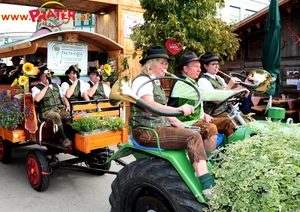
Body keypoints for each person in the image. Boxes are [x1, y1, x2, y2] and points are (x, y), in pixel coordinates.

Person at [129, 45, 215, 198]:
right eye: (162, 63)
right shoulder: (142, 81)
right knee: (192, 137)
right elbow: (150, 106)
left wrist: (182, 125)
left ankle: (205, 171)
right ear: (151, 64)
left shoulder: (154, 82)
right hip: (146, 131)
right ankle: (208, 186)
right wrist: (180, 109)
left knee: (195, 132)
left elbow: (164, 110)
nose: (166, 66)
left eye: (166, 63)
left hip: (157, 128)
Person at [168, 52, 240, 151]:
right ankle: (208, 160)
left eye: (199, 66)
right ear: (185, 69)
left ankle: (234, 153)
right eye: (196, 67)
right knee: (210, 128)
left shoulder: (192, 81)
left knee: (228, 123)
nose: (199, 69)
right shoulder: (182, 83)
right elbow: (206, 94)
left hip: (197, 119)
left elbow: (197, 102)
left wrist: (203, 114)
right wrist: (234, 92)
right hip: (184, 122)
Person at [31, 66, 72, 148]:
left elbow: (63, 98)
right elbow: (37, 99)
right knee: (55, 116)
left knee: (69, 114)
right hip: (46, 111)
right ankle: (64, 139)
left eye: (48, 75)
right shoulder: (36, 88)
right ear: (40, 77)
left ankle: (68, 136)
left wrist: (67, 105)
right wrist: (46, 86)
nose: (46, 77)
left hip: (59, 108)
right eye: (44, 75)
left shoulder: (56, 85)